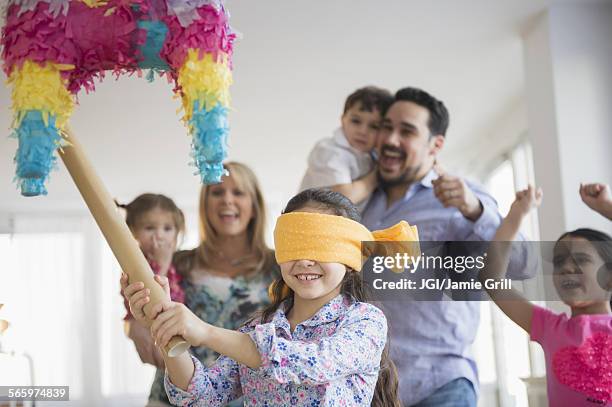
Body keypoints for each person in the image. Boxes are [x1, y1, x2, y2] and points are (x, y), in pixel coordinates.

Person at [122, 189, 419, 406]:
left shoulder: (364, 321)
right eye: (295, 245)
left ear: (350, 255)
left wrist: (205, 332)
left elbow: (311, 364)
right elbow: (202, 395)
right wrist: (166, 328)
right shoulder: (261, 327)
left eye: (320, 247)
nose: (304, 261)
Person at [360, 87, 534, 406]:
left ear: (435, 145)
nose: (390, 139)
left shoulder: (464, 199)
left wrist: (474, 211)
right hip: (372, 387)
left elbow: (522, 263)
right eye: (386, 126)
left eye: (407, 131)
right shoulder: (363, 204)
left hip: (439, 384)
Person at [120, 162, 279, 407]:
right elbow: (136, 303)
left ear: (254, 205)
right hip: (174, 394)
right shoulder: (180, 262)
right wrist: (133, 327)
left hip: (251, 396)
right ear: (205, 205)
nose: (227, 199)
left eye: (238, 192)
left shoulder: (280, 267)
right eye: (217, 192)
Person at [481, 185, 611, 406]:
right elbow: (491, 279)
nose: (567, 268)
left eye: (581, 260)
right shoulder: (550, 327)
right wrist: (517, 214)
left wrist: (606, 207)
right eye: (559, 262)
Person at [117, 193, 186, 370]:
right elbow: (154, 293)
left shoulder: (178, 259)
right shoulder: (138, 263)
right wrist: (163, 263)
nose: (159, 236)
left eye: (167, 228)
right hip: (150, 325)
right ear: (133, 232)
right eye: (149, 228)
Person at [299, 86, 393, 207]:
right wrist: (377, 175)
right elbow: (345, 198)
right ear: (343, 119)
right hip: (308, 220)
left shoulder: (370, 155)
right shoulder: (329, 151)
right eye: (356, 121)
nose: (362, 131)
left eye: (374, 126)